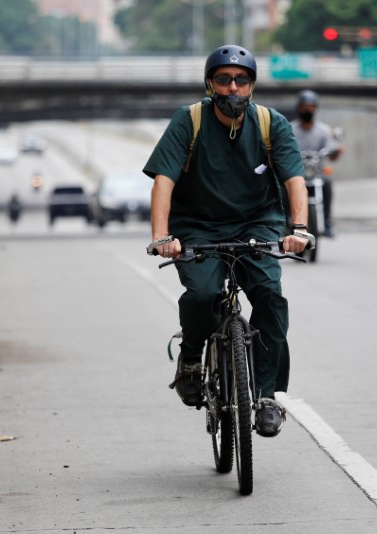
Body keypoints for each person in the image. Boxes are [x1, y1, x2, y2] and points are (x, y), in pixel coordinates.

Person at [143, 45, 311, 437]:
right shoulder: (190, 120)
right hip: (197, 225)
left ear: (252, 87)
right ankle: (190, 360)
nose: (232, 88)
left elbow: (294, 179)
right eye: (224, 79)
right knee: (202, 293)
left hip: (257, 222)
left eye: (241, 80)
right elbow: (164, 181)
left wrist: (299, 230)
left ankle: (268, 396)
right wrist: (161, 236)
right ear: (210, 84)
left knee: (269, 293)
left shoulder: (271, 123)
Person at [290, 90, 343, 237]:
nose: (308, 109)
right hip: (295, 172)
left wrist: (335, 151)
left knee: (327, 183)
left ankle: (327, 222)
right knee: (282, 187)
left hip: (315, 173)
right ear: (299, 108)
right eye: (305, 106)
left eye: (311, 106)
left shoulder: (324, 130)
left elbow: (332, 152)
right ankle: (284, 220)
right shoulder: (289, 129)